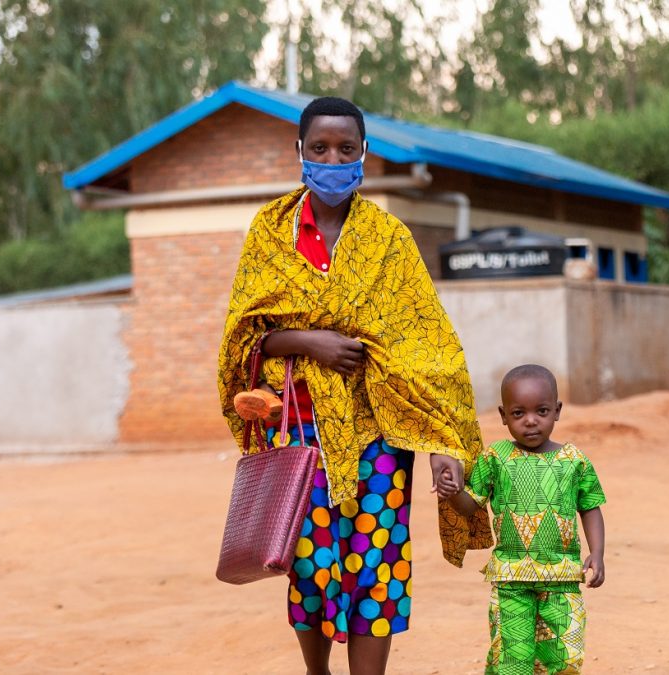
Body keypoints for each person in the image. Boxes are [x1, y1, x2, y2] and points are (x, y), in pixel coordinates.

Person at [217, 96, 492, 675]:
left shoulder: (389, 239)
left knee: (378, 566)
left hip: (379, 435)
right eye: (320, 148)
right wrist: (306, 341)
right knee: (311, 568)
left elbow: (428, 346)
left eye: (346, 149)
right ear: (300, 152)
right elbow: (243, 340)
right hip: (299, 431)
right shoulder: (270, 232)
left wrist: (444, 441)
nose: (333, 159)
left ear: (364, 153)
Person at [441, 364, 606, 674]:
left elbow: (591, 507)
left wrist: (596, 554)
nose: (531, 421)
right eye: (518, 414)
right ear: (504, 416)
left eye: (541, 411)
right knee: (511, 660)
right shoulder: (495, 457)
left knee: (563, 659)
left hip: (562, 580)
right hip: (510, 581)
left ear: (556, 411)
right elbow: (469, 506)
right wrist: (452, 492)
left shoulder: (574, 460)